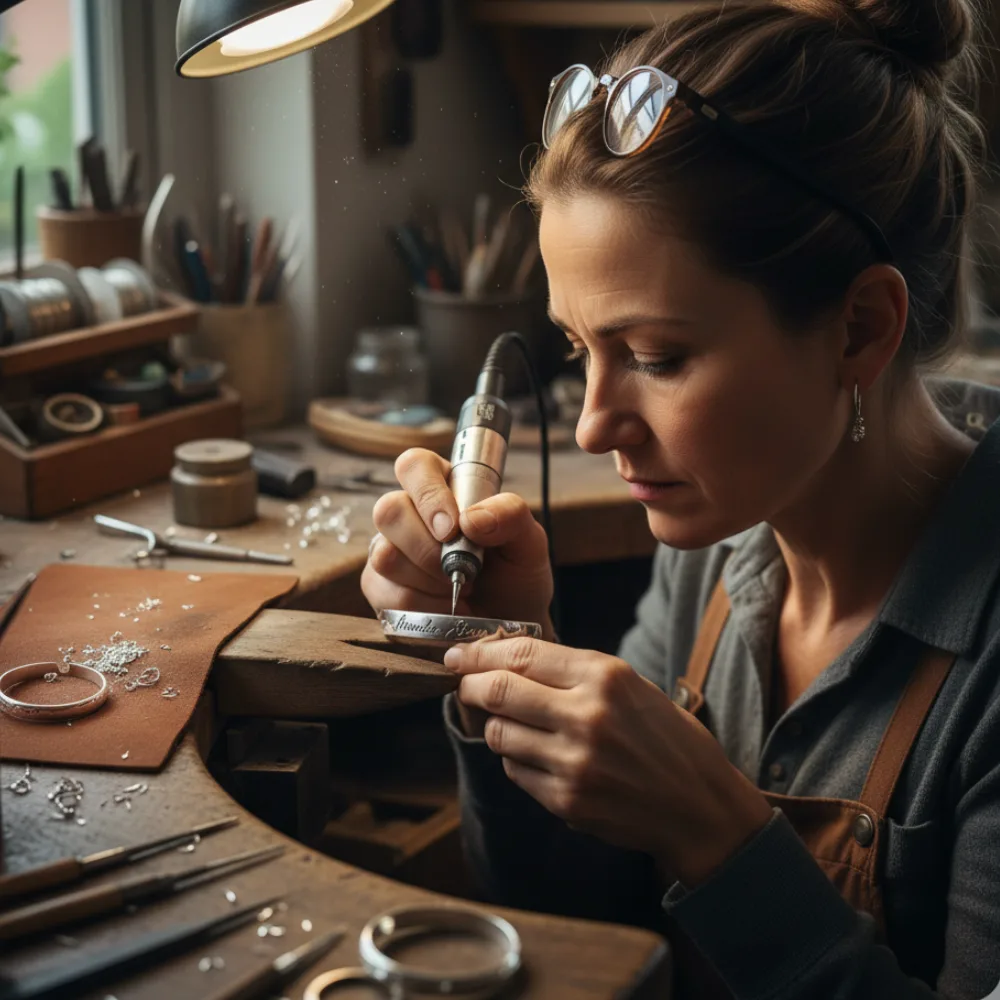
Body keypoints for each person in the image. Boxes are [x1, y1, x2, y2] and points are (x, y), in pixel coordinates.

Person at [361, 0, 1000, 993]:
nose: (590, 426)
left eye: (656, 356)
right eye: (580, 349)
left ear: (858, 329)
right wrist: (500, 651)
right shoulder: (715, 535)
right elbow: (592, 932)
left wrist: (718, 833)